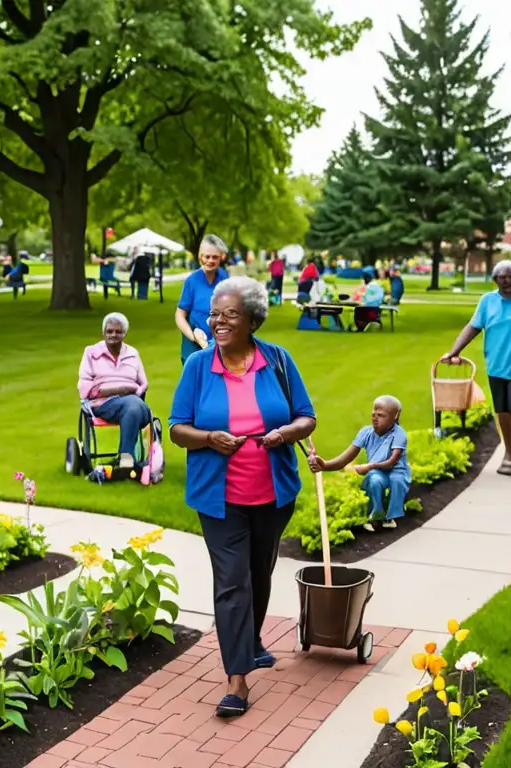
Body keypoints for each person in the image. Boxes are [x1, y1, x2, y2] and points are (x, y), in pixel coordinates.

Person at [169, 276, 316, 718]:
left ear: (253, 319)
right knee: (232, 582)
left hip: (273, 494)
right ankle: (237, 679)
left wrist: (285, 433)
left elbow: (306, 417)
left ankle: (250, 640)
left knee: (259, 571)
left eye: (229, 314)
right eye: (215, 313)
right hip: (219, 498)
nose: (218, 321)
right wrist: (209, 438)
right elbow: (177, 428)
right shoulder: (198, 365)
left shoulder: (278, 361)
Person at [441, 260, 511, 476]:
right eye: (502, 277)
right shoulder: (487, 301)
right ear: (495, 280)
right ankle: (508, 453)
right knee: (503, 411)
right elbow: (473, 327)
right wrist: (454, 351)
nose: (507, 281)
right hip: (496, 364)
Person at [309, 396, 411, 532]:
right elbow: (345, 458)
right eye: (373, 415)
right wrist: (325, 465)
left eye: (381, 415)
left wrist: (369, 466)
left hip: (397, 471)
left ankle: (391, 515)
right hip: (379, 472)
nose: (375, 418)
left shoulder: (399, 434)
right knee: (374, 479)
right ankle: (376, 516)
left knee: (396, 480)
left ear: (395, 416)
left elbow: (392, 462)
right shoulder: (366, 432)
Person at [77, 312, 151, 469]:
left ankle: (126, 458)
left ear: (124, 333)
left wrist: (134, 391)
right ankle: (126, 458)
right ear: (103, 332)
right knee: (133, 405)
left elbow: (143, 383)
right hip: (103, 404)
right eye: (109, 331)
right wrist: (117, 389)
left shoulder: (132, 353)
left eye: (118, 331)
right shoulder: (91, 353)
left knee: (133, 405)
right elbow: (84, 387)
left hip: (132, 402)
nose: (113, 335)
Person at [175, 234, 230, 363]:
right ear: (200, 256)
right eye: (207, 256)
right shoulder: (192, 281)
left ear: (221, 257)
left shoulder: (225, 278)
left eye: (215, 257)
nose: (210, 260)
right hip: (194, 344)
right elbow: (179, 315)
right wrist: (193, 336)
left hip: (219, 343)